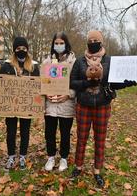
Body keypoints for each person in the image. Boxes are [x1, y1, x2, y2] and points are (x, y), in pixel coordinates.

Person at [70, 30, 136, 187]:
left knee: (100, 139)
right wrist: (87, 83)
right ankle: (78, 167)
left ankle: (97, 171)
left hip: (102, 105)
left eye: (96, 40)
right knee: (81, 138)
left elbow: (114, 82)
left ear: (101, 42)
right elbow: (72, 82)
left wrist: (126, 83)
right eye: (90, 40)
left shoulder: (109, 61)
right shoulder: (79, 61)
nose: (93, 42)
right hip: (84, 105)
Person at [0, 36, 39, 171]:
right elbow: (1, 84)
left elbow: (39, 85)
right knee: (10, 132)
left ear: (27, 49)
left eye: (23, 48)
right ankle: (11, 156)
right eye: (18, 48)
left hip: (27, 105)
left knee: (25, 131)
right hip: (11, 105)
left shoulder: (34, 66)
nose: (21, 50)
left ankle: (22, 156)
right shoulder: (6, 65)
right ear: (14, 50)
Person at [42, 32, 76, 172]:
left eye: (62, 43)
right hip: (50, 105)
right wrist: (46, 93)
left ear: (66, 44)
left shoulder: (73, 62)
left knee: (65, 133)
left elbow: (76, 84)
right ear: (53, 44)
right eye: (56, 43)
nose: (59, 45)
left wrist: (68, 95)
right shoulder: (46, 62)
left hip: (66, 105)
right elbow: (42, 83)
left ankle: (63, 158)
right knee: (49, 133)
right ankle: (50, 157)